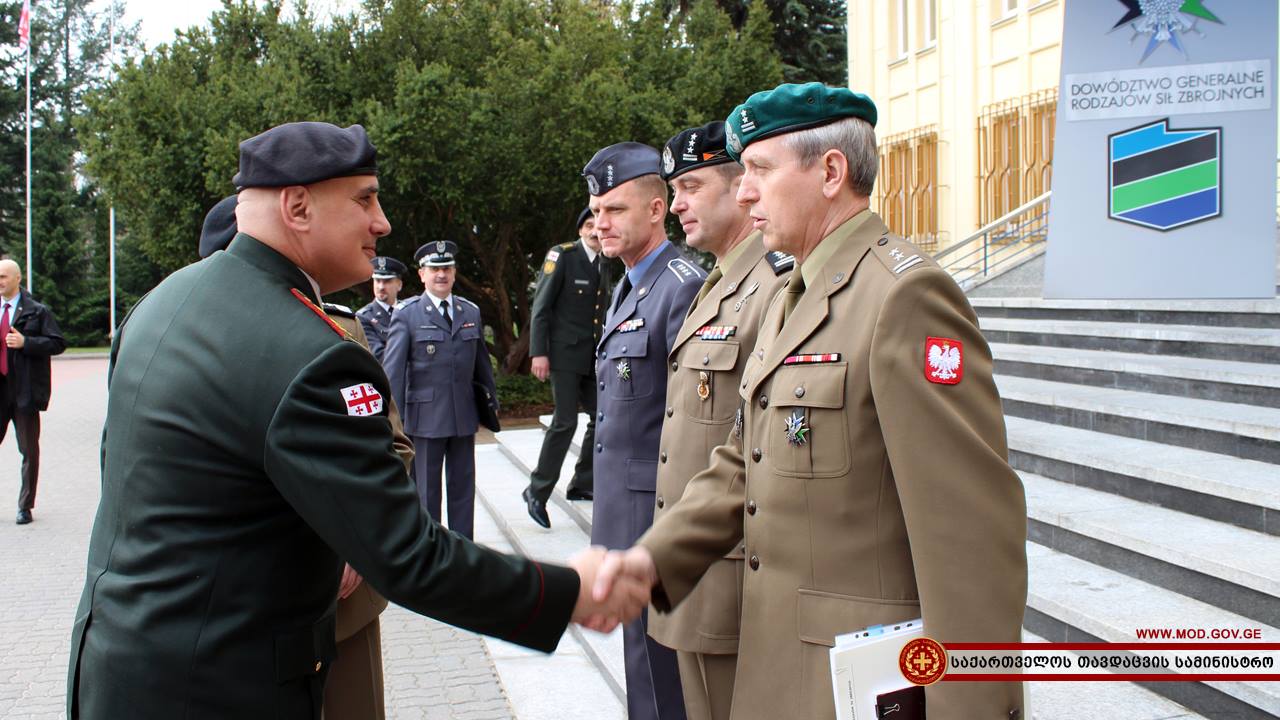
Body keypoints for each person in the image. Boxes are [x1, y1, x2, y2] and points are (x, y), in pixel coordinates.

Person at [67, 121, 647, 720]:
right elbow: (408, 556)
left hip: (117, 669)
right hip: (219, 685)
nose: (383, 223)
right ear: (297, 206)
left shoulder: (164, 302)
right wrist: (570, 593)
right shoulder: (310, 352)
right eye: (365, 198)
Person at [591, 83, 1029, 720]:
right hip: (777, 666)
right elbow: (744, 465)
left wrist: (974, 708)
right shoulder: (794, 293)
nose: (744, 191)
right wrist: (643, 569)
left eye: (760, 170)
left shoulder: (904, 297)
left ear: (830, 172)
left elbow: (971, 539)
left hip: (858, 677)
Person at [198, 194, 408, 720]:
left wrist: (358, 543)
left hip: (345, 610)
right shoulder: (186, 352)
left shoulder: (341, 333)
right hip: (239, 616)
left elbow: (394, 449)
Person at [649, 121, 793, 720]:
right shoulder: (717, 283)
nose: (677, 204)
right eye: (674, 188)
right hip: (696, 567)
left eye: (691, 185)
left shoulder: (773, 286)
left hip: (732, 573)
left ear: (740, 187)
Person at [586, 141, 704, 720]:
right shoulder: (631, 282)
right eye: (596, 209)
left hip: (655, 508)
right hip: (624, 504)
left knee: (658, 666)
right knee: (640, 659)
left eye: (614, 209)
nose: (599, 221)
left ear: (657, 210)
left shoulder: (679, 285)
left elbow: (694, 417)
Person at [382, 240, 497, 540]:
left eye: (446, 268)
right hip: (424, 421)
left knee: (463, 489)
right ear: (422, 275)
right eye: (434, 269)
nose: (441, 275)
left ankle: (463, 549)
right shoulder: (407, 314)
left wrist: (489, 405)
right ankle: (430, 551)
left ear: (455, 273)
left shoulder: (469, 312)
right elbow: (392, 373)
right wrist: (393, 424)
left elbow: (482, 365)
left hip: (462, 416)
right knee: (427, 494)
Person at [522, 207, 611, 527]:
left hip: (591, 357)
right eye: (588, 225)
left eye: (598, 226)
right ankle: (537, 490)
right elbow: (541, 308)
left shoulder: (604, 261)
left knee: (601, 417)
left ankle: (582, 482)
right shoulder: (562, 256)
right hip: (562, 356)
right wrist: (538, 353)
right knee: (564, 421)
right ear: (580, 229)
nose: (594, 230)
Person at [0, 258, 65, 525]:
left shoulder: (37, 311)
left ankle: (25, 506)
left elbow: (57, 343)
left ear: (17, 278)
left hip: (24, 392)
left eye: (3, 276)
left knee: (28, 450)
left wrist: (26, 342)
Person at [356, 256, 407, 362]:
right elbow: (378, 356)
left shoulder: (409, 310)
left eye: (387, 281)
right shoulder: (364, 317)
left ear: (399, 285)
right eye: (377, 281)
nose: (381, 287)